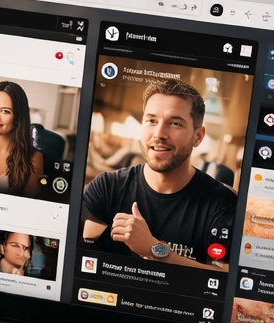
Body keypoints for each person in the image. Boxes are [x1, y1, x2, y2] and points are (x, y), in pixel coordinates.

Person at [80, 78, 235, 270]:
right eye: (151, 121)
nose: (159, 133)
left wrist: (154, 249)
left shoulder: (221, 203)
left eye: (175, 123)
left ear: (198, 136)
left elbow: (223, 278)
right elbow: (80, 256)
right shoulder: (106, 187)